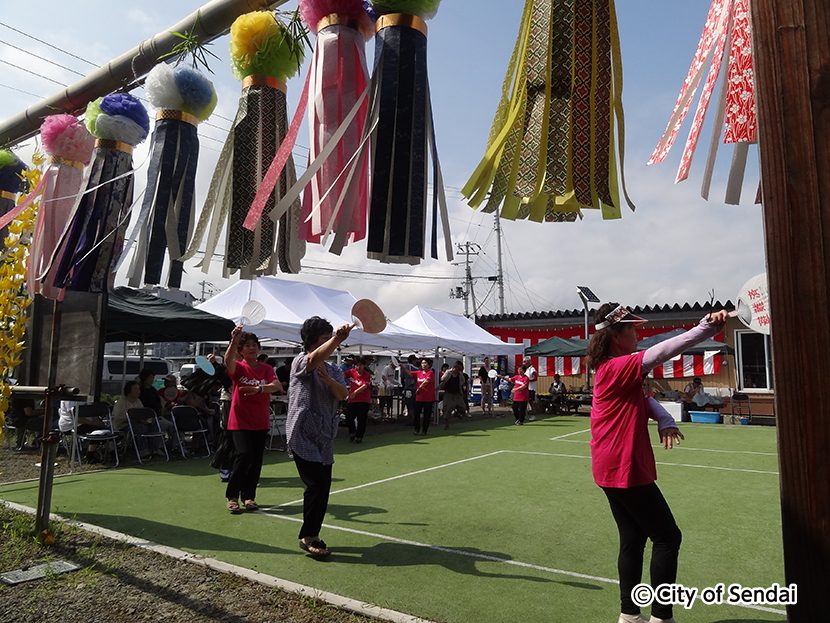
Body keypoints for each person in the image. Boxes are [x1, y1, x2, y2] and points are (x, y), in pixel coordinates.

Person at [586, 303, 728, 623]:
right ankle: (661, 618)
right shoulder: (618, 366)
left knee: (633, 538)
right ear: (617, 336)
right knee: (667, 537)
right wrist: (705, 327)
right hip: (624, 464)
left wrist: (663, 418)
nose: (638, 335)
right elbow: (663, 351)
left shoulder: (609, 369)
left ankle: (630, 615)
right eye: (633, 329)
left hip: (609, 465)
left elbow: (644, 398)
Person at [287, 316, 350, 558]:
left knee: (323, 487)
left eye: (331, 338)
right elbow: (314, 359)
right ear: (313, 342)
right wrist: (338, 337)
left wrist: (330, 380)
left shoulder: (333, 369)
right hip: (302, 433)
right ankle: (309, 536)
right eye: (326, 339)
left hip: (325, 435)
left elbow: (343, 394)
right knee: (317, 483)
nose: (332, 343)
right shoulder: (301, 361)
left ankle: (311, 532)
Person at [224, 327, 283, 514]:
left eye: (254, 345)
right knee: (244, 454)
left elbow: (276, 386)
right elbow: (228, 361)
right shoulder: (239, 367)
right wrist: (234, 340)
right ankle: (232, 496)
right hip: (239, 421)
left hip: (260, 421)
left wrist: (259, 389)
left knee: (256, 460)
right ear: (241, 350)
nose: (252, 348)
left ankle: (249, 496)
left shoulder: (267, 369)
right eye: (247, 345)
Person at [112, 380, 163, 459]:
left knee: (153, 426)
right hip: (123, 426)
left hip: (138, 423)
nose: (138, 391)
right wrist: (136, 420)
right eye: (135, 389)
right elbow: (119, 419)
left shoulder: (138, 401)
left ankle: (155, 448)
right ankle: (143, 450)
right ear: (129, 391)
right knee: (140, 428)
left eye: (139, 389)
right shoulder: (121, 403)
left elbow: (142, 414)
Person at [400, 357, 436, 435]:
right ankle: (416, 429)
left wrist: (420, 387)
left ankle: (424, 430)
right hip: (419, 397)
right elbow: (409, 373)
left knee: (427, 415)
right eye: (422, 363)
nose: (423, 365)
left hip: (428, 398)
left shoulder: (430, 373)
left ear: (429, 365)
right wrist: (402, 367)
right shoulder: (419, 373)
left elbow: (427, 381)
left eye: (425, 363)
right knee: (417, 414)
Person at [344, 356, 372, 443]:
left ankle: (359, 436)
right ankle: (352, 432)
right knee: (349, 417)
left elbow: (365, 385)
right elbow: (341, 375)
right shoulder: (351, 372)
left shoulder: (366, 374)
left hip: (364, 399)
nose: (358, 367)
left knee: (361, 418)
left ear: (364, 366)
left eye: (360, 365)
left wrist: (355, 392)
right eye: (356, 365)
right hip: (352, 399)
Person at [439, 361, 468, 429]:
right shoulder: (448, 372)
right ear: (455, 368)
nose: (460, 371)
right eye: (459, 369)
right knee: (447, 408)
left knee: (463, 407)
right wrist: (442, 379)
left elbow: (463, 381)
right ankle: (446, 424)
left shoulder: (460, 375)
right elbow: (443, 378)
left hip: (457, 393)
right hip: (448, 393)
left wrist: (463, 385)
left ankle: (457, 413)